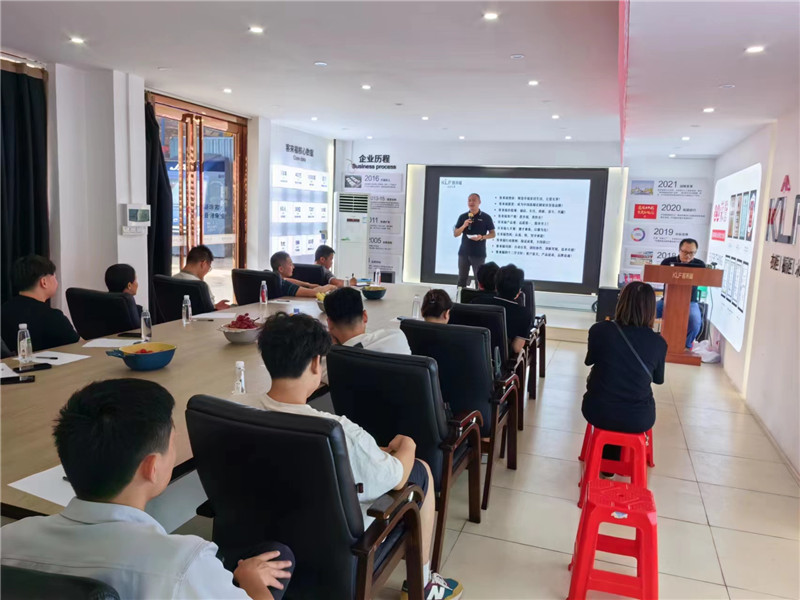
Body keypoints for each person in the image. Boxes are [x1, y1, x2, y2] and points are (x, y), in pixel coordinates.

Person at [0, 378, 294, 600]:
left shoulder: (8, 539)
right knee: (277, 556)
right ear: (151, 467)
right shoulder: (183, 563)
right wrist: (250, 580)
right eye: (172, 444)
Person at [255, 313, 463, 600]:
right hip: (341, 552)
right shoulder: (338, 432)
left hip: (271, 542)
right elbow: (397, 477)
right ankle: (424, 586)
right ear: (316, 363)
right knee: (420, 471)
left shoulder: (237, 411)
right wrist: (408, 445)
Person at [582, 282, 667, 471]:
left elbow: (589, 361)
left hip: (598, 411)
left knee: (610, 392)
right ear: (651, 309)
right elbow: (658, 379)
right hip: (639, 417)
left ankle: (607, 464)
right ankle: (618, 462)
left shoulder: (599, 330)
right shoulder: (658, 343)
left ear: (621, 302)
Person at [1, 255, 79, 351]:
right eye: (54, 277)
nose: (56, 282)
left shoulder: (3, 310)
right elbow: (80, 347)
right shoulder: (53, 317)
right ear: (44, 282)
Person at [323, 287, 410, 354]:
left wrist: (334, 348)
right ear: (365, 316)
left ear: (329, 323)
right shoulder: (397, 337)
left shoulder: (332, 363)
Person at [656, 238, 706, 348]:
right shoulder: (667, 262)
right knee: (647, 312)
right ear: (679, 250)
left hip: (690, 302)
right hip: (667, 300)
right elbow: (660, 277)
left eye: (691, 253)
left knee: (695, 322)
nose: (688, 256)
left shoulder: (700, 265)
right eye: (685, 252)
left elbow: (704, 280)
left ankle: (686, 346)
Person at [471, 264, 531, 355]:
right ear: (519, 291)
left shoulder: (476, 302)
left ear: (496, 286)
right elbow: (516, 348)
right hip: (500, 360)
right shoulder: (524, 313)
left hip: (474, 355)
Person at [452, 193, 495, 288]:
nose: (471, 202)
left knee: (479, 280)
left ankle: (478, 297)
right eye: (469, 200)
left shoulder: (486, 217)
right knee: (462, 279)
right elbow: (456, 234)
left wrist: (482, 237)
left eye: (474, 200)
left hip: (478, 254)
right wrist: (464, 225)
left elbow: (493, 234)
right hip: (464, 253)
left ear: (479, 202)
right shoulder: (463, 217)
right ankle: (460, 297)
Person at [173, 245, 231, 310]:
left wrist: (214, 306)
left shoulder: (171, 280)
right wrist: (215, 308)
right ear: (203, 264)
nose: (207, 271)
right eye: (209, 268)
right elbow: (208, 310)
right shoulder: (200, 286)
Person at [269, 251, 336, 298]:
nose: (293, 267)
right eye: (290, 264)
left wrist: (308, 285)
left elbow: (286, 279)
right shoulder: (285, 285)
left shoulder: (272, 280)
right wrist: (330, 286)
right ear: (281, 269)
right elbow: (314, 293)